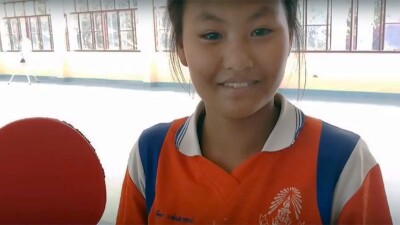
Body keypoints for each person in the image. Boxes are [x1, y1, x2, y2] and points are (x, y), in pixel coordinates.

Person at [116, 0, 393, 224]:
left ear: (291, 37)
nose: (238, 61)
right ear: (181, 48)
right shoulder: (150, 155)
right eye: (211, 35)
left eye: (260, 31)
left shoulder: (345, 163)